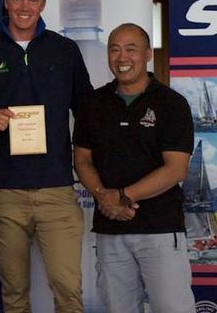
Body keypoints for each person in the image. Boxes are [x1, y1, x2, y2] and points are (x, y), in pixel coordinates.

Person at [0, 0, 92, 313]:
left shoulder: (65, 51)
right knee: (14, 294)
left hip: (57, 191)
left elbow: (88, 114)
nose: (24, 7)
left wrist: (95, 169)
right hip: (4, 194)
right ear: (6, 0)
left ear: (44, 3)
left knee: (68, 290)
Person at [73, 23, 196, 313]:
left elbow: (176, 169)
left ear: (147, 54)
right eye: (114, 50)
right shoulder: (93, 104)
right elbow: (82, 160)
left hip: (161, 231)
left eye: (131, 49)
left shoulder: (172, 104)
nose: (122, 57)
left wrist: (123, 196)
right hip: (110, 231)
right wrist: (104, 195)